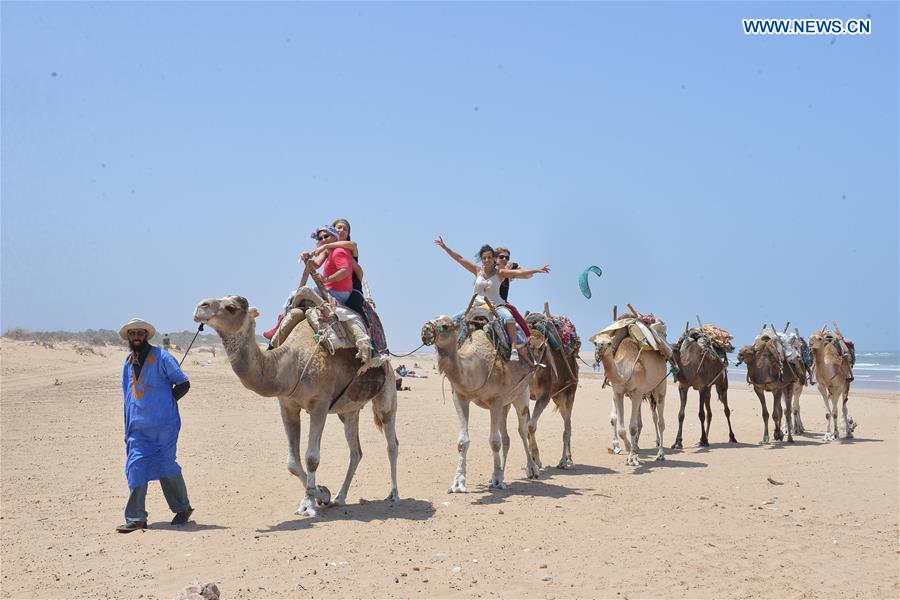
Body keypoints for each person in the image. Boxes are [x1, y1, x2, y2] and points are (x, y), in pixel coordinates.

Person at [117, 318, 193, 533]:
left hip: (164, 426)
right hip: (137, 429)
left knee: (166, 466)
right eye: (132, 334)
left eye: (140, 333)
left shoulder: (162, 357)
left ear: (146, 335)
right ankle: (136, 518)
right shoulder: (128, 362)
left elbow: (183, 383)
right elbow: (128, 397)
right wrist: (126, 427)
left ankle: (183, 508)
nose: (136, 337)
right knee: (136, 467)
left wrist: (166, 404)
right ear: (129, 337)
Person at [434, 237, 550, 360]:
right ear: (482, 260)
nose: (487, 260)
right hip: (475, 307)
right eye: (484, 258)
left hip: (495, 306)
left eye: (489, 257)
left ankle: (514, 349)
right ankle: (442, 347)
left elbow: (520, 273)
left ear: (493, 258)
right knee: (450, 322)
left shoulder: (500, 273)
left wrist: (537, 270)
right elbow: (460, 258)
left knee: (509, 318)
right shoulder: (477, 270)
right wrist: (445, 247)